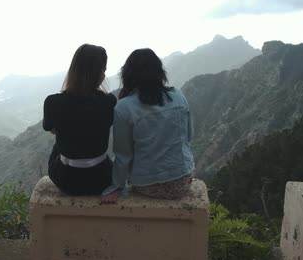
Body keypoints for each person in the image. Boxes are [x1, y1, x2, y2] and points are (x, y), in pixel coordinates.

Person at [102, 48, 195, 203]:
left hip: (148, 184)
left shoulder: (124, 107)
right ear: (159, 72)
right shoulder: (178, 96)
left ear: (128, 74)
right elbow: (189, 136)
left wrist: (116, 186)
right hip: (183, 180)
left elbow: (124, 156)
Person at [43, 44, 117, 195]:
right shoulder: (109, 101)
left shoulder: (53, 102)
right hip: (101, 179)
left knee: (59, 141)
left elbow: (51, 129)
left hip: (66, 180)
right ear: (100, 73)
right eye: (103, 70)